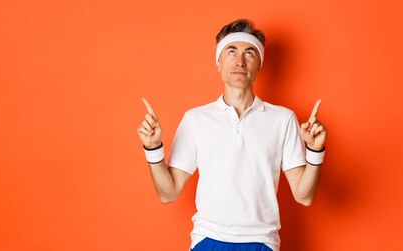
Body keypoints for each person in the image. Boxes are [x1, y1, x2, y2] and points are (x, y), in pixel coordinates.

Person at [137, 19, 327, 251]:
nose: (239, 61)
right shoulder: (196, 119)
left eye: (249, 53)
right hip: (207, 240)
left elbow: (304, 196)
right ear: (218, 62)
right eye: (231, 51)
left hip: (261, 242)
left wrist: (315, 151)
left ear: (260, 64)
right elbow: (168, 194)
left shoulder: (283, 119)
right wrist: (153, 149)